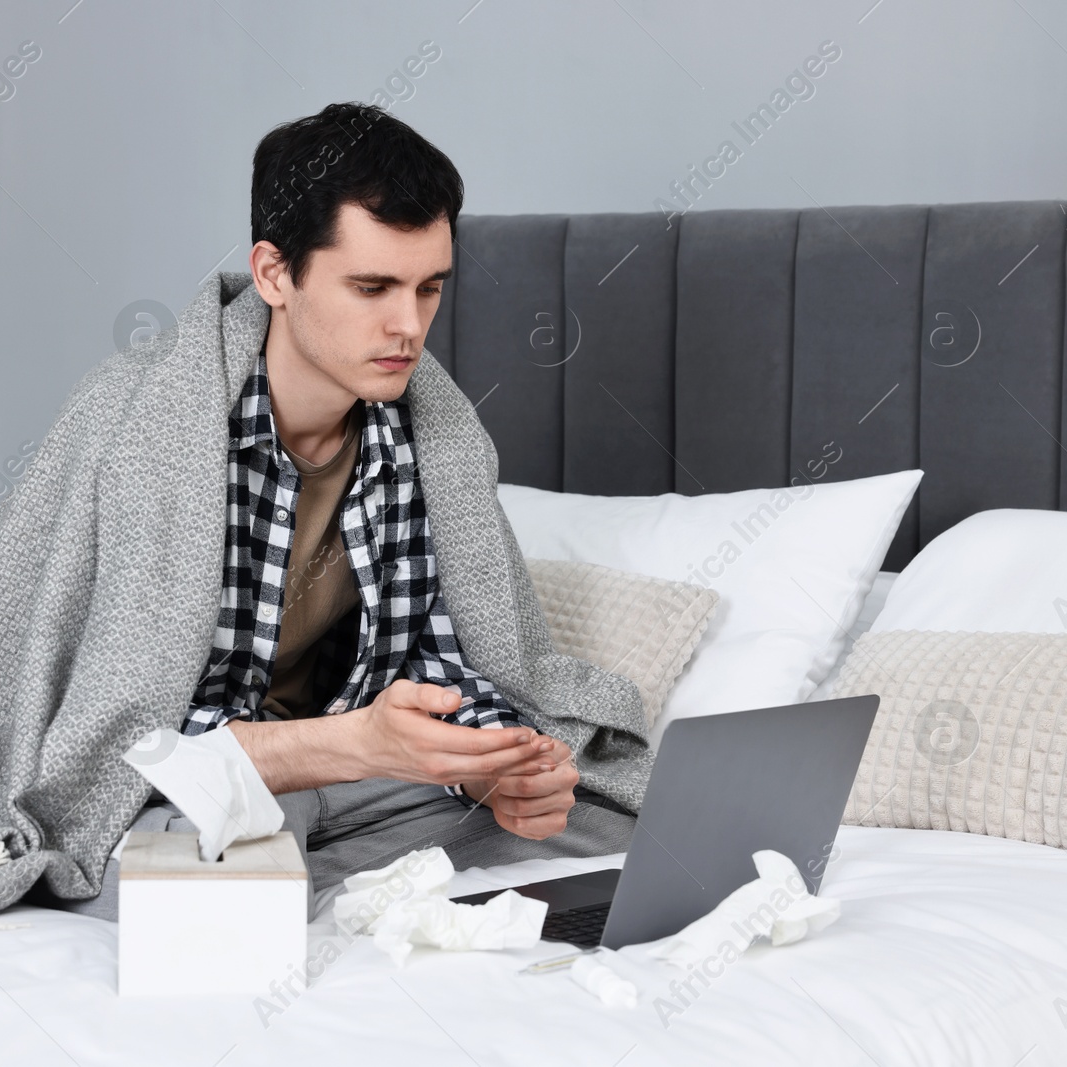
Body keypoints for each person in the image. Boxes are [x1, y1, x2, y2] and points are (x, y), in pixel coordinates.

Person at [63, 102, 647, 919]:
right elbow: (115, 741)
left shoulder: (431, 439)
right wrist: (352, 743)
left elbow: (452, 658)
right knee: (194, 906)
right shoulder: (141, 427)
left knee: (632, 850)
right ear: (274, 273)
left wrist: (485, 765)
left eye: (429, 288)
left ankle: (355, 895)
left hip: (374, 784)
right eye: (372, 287)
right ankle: (326, 891)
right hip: (218, 775)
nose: (408, 327)